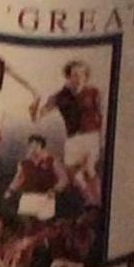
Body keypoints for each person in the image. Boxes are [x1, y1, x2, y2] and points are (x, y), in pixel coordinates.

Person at [48, 60, 106, 203]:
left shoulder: (93, 92)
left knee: (89, 168)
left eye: (82, 74)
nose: (79, 77)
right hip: (73, 138)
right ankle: (91, 200)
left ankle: (98, 200)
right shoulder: (61, 96)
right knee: (74, 174)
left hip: (91, 135)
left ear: (86, 76)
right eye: (75, 74)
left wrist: (102, 136)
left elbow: (101, 114)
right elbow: (38, 115)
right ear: (69, 77)